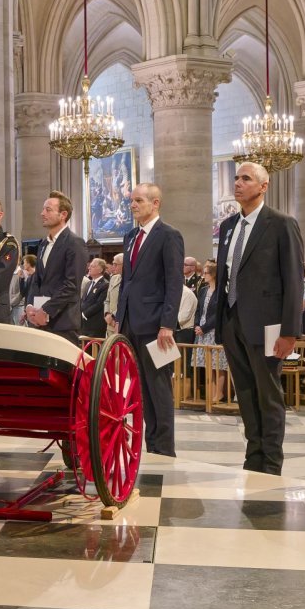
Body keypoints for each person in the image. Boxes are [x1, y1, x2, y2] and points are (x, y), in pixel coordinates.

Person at [213, 162, 304, 476]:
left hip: (268, 324)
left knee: (268, 393)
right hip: (232, 319)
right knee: (246, 392)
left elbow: (293, 279)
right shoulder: (228, 227)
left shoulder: (280, 224)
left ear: (263, 186)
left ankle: (271, 461)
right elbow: (224, 276)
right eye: (237, 178)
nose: (238, 183)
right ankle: (253, 455)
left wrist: (290, 331)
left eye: (246, 178)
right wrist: (218, 320)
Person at [115, 183, 183, 456]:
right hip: (131, 324)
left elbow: (174, 282)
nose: (133, 205)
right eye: (132, 200)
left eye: (139, 200)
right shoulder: (131, 236)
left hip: (156, 326)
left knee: (160, 389)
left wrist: (167, 324)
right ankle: (150, 445)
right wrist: (120, 318)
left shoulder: (169, 236)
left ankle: (164, 449)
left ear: (155, 204)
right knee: (141, 389)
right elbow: (126, 282)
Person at [25, 190, 88, 346]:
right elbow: (36, 280)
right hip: (40, 320)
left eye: (48, 210)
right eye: (43, 209)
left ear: (63, 214)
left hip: (63, 322)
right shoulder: (43, 244)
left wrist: (46, 310)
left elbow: (71, 286)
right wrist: (30, 306)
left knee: (62, 370)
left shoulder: (74, 243)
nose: (42, 213)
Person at [192, 261, 228, 403]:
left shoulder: (221, 292)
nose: (203, 275)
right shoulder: (203, 290)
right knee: (208, 365)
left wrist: (205, 327)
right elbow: (199, 310)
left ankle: (219, 393)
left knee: (218, 364)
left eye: (206, 273)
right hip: (201, 330)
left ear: (213, 275)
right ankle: (211, 393)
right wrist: (197, 325)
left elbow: (218, 314)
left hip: (214, 331)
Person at [80, 258, 109, 338]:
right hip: (84, 324)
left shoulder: (105, 285)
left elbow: (99, 304)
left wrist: (84, 314)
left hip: (95, 325)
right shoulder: (89, 283)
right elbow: (83, 300)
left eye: (92, 266)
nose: (89, 268)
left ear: (100, 270)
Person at [104, 253, 123, 332]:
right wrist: (107, 314)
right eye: (113, 264)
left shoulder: (131, 281)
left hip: (120, 322)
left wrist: (113, 316)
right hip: (109, 323)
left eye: (115, 264)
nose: (113, 267)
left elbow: (126, 302)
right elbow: (107, 300)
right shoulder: (113, 278)